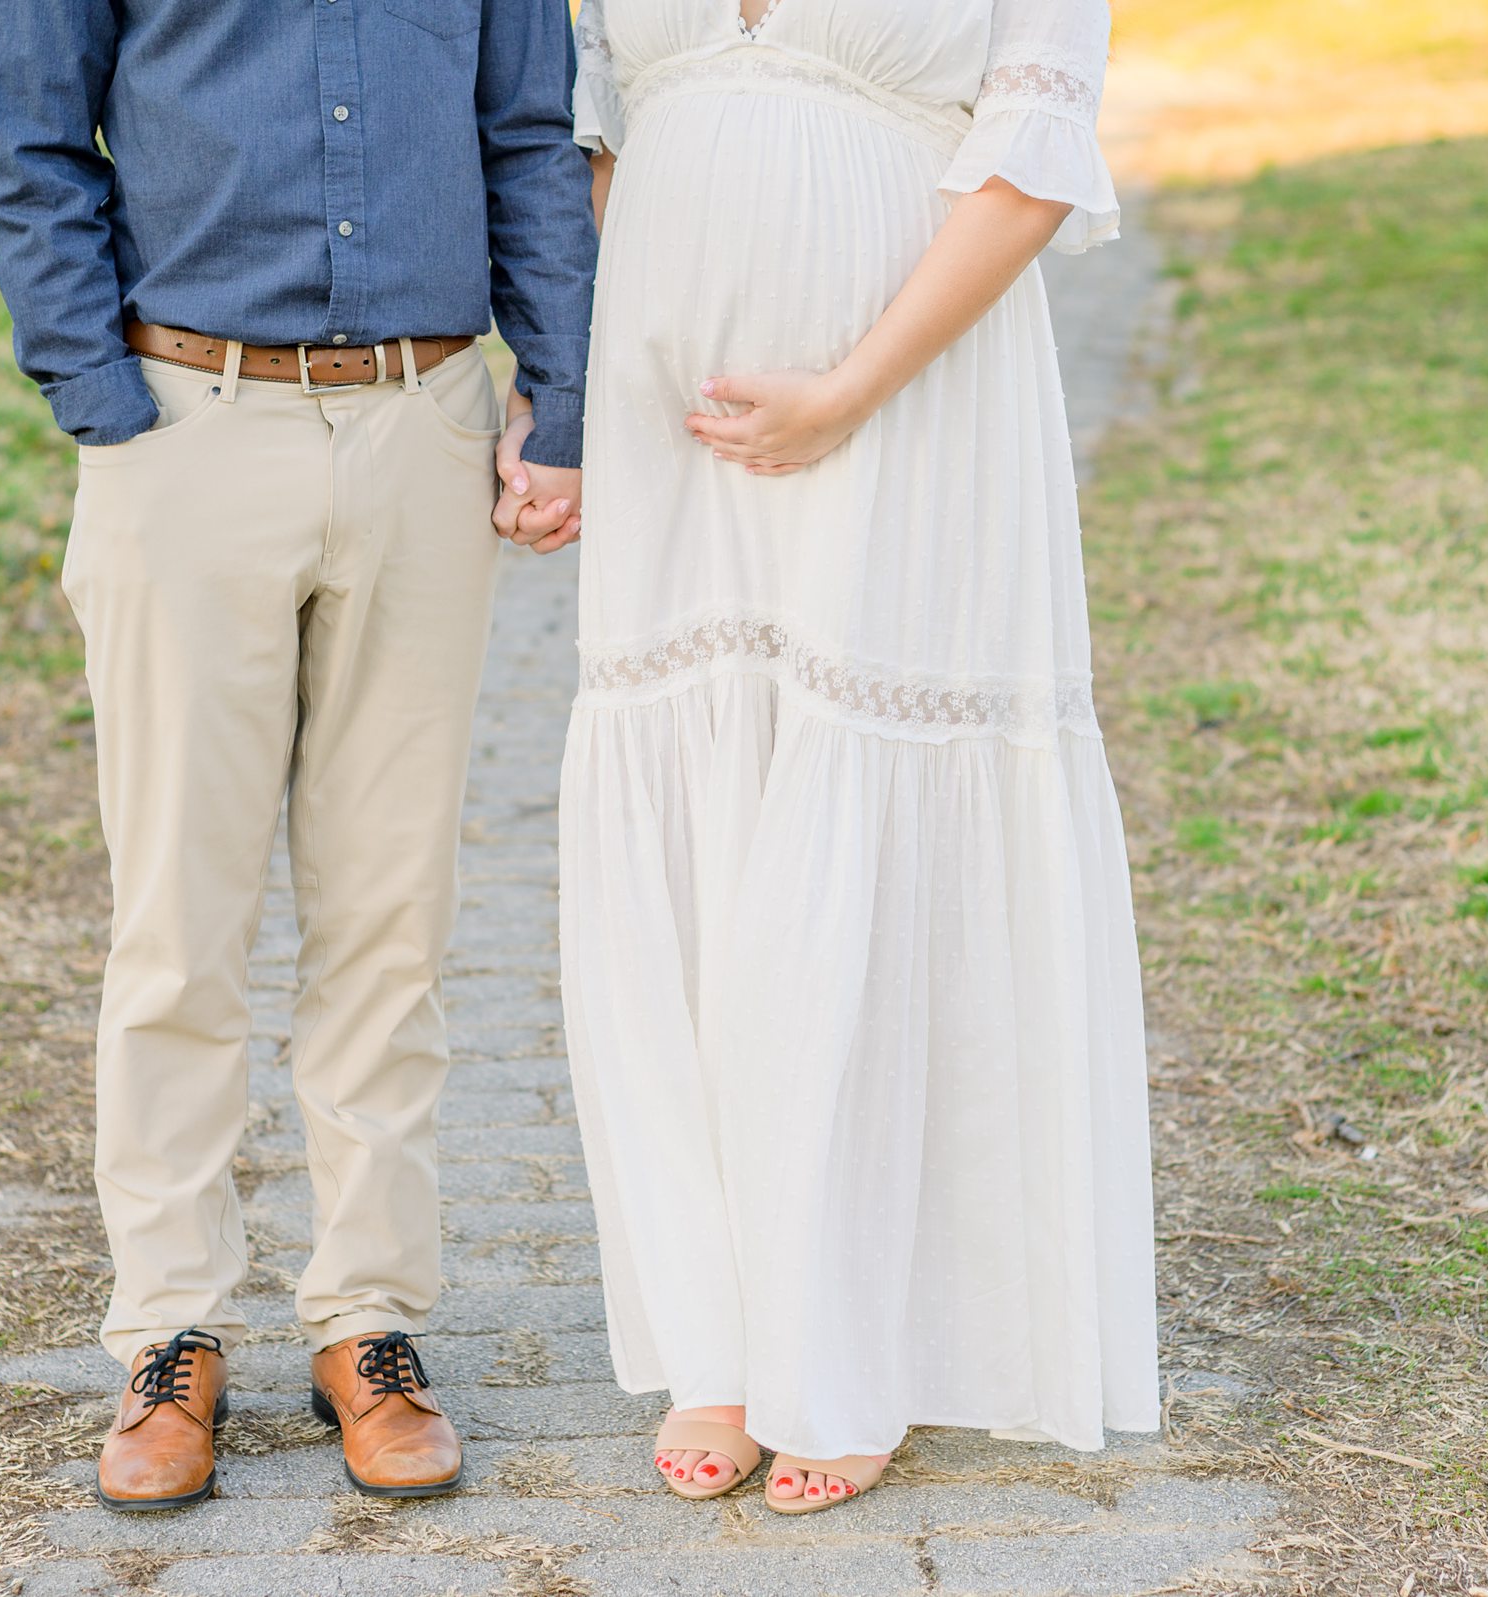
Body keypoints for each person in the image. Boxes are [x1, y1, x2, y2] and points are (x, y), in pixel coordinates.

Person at [0, 0, 595, 1509]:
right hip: (189, 420)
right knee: (178, 915)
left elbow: (527, 132)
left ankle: (368, 1319)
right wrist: (100, 395)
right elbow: (32, 145)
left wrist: (560, 396)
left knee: (390, 910)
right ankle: (168, 1333)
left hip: (423, 425)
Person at [558, 0, 1161, 1514]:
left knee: (856, 823)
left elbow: (1028, 162)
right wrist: (598, 374)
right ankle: (720, 1331)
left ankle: (852, 1338)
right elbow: (597, 122)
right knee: (693, 850)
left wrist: (846, 386)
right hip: (669, 421)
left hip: (909, 401)